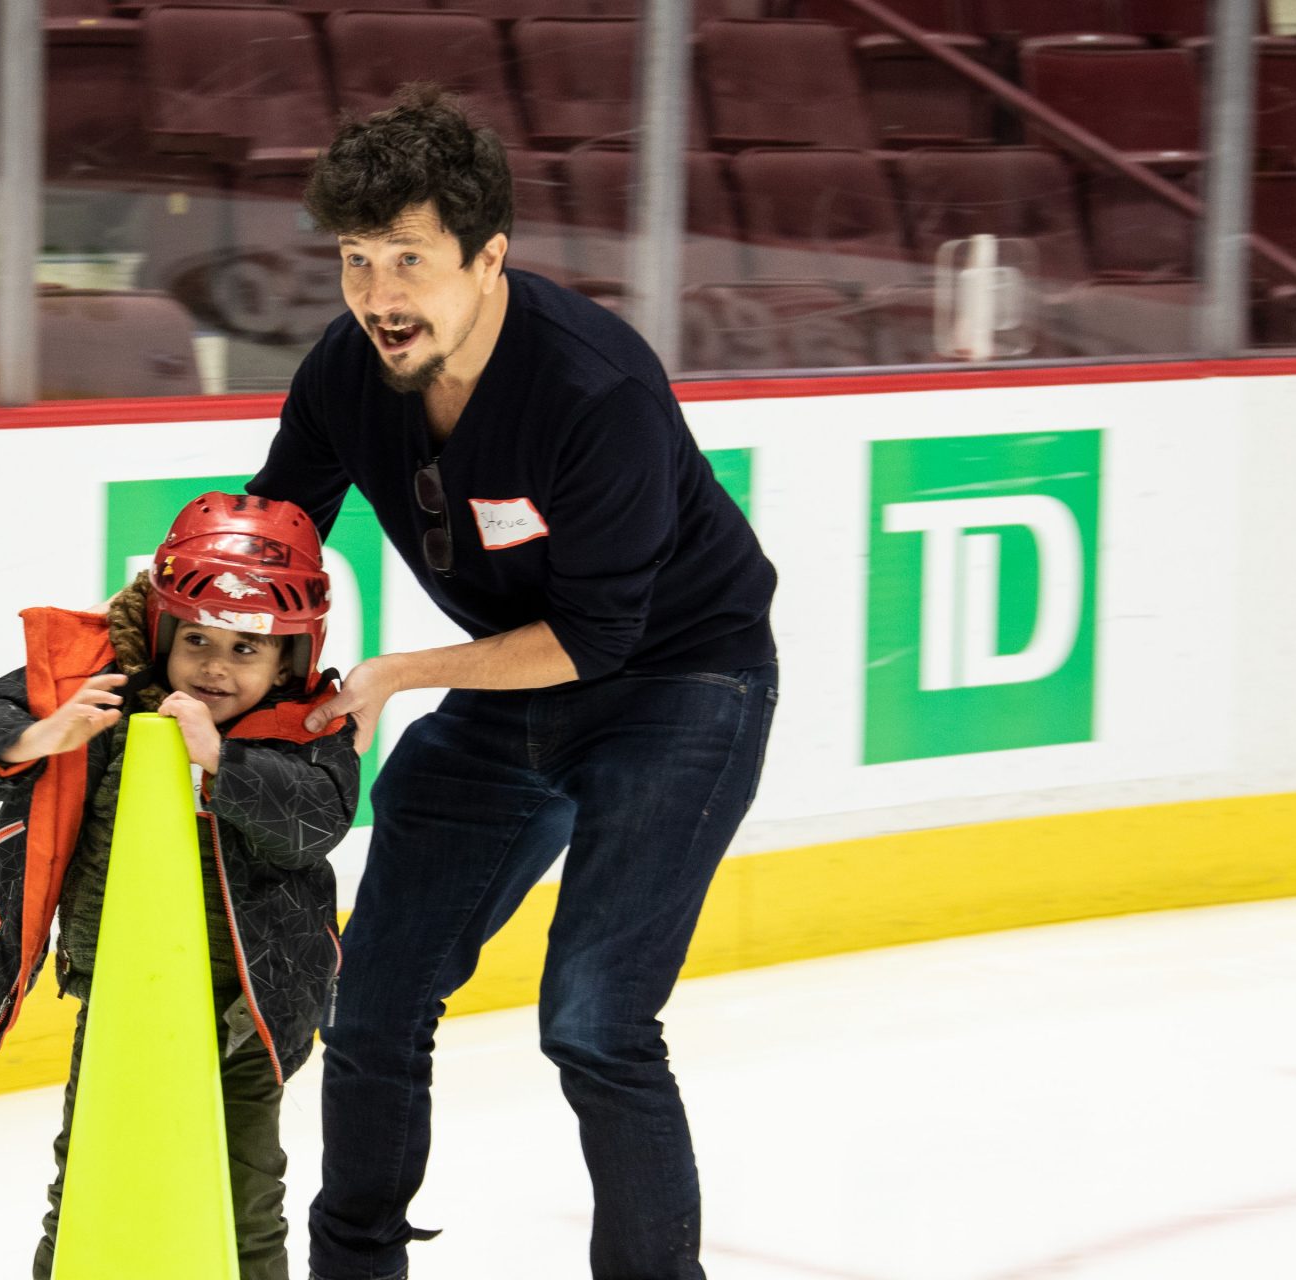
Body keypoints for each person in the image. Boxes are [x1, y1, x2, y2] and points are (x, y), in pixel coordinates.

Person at [246, 87, 781, 1280]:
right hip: (518, 687)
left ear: (489, 258)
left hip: (684, 682)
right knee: (374, 996)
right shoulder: (347, 367)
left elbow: (596, 640)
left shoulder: (596, 390)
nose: (380, 295)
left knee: (595, 1020)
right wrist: (180, 620)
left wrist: (399, 674)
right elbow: (280, 521)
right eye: (357, 258)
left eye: (411, 261)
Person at [0, 493, 361, 1280]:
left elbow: (319, 822)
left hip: (246, 1015)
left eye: (247, 650)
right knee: (85, 1187)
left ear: (289, 661)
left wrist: (223, 764)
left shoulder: (311, 729)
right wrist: (44, 732)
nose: (215, 666)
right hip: (122, 1000)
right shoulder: (98, 688)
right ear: (162, 633)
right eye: (197, 639)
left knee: (247, 1209)